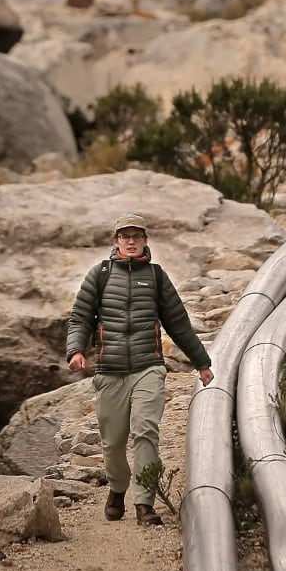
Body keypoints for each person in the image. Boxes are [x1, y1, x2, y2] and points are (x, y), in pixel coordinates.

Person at [66, 212, 214, 526]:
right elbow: (80, 318)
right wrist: (76, 350)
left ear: (145, 240)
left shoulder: (157, 277)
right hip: (109, 371)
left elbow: (179, 324)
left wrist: (202, 362)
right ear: (116, 241)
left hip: (148, 367)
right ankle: (118, 488)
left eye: (137, 236)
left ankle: (144, 503)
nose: (131, 241)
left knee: (146, 431)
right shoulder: (100, 274)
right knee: (113, 442)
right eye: (125, 236)